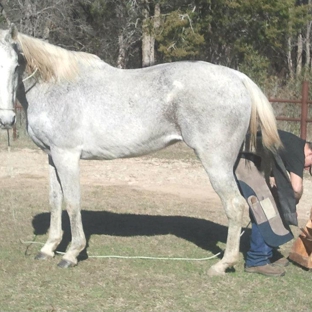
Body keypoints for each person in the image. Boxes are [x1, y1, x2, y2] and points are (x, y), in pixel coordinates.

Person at [243, 130, 312, 277]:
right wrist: (291, 207)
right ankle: (257, 260)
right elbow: (296, 188)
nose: (306, 169)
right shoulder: (297, 151)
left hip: (255, 163)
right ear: (310, 154)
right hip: (245, 161)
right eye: (309, 166)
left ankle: (267, 251)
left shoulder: (293, 144)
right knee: (263, 208)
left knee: (273, 204)